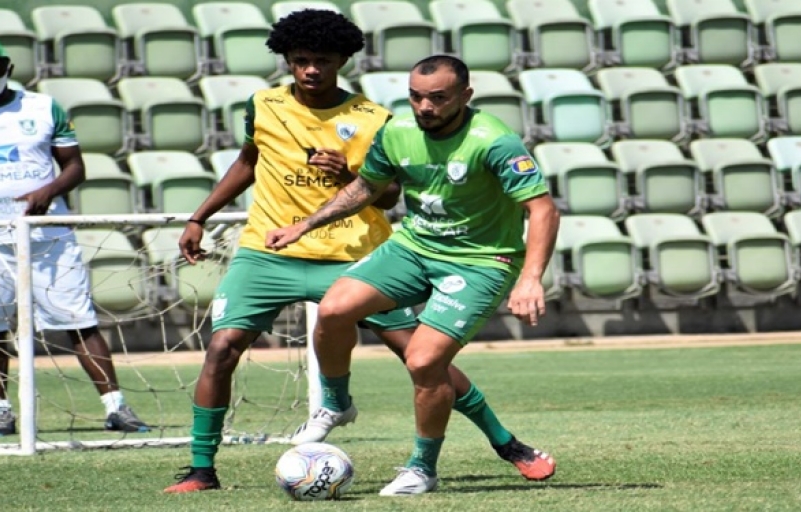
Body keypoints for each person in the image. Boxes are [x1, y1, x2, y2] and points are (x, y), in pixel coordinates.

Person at [164, 10, 555, 494]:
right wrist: (203, 216)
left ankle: (499, 444)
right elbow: (249, 161)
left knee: (423, 359)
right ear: (286, 60)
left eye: (321, 61)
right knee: (224, 347)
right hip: (272, 249)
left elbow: (384, 193)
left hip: (357, 251)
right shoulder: (263, 105)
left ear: (342, 61)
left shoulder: (377, 119)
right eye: (300, 61)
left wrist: (345, 174)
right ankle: (206, 468)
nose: (310, 70)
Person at [265, 55, 560, 496]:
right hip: (414, 247)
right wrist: (305, 224)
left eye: (438, 98)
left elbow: (542, 209)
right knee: (334, 309)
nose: (425, 107)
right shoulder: (398, 131)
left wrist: (531, 278)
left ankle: (422, 468)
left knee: (424, 359)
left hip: (481, 260)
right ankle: (336, 404)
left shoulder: (494, 140)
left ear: (465, 96)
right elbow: (367, 187)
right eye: (417, 97)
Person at [0, 37, 148, 437]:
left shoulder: (42, 107)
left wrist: (48, 191)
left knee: (78, 320)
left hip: (47, 234)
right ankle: (1, 411)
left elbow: (74, 166)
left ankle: (116, 407)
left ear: (8, 67)